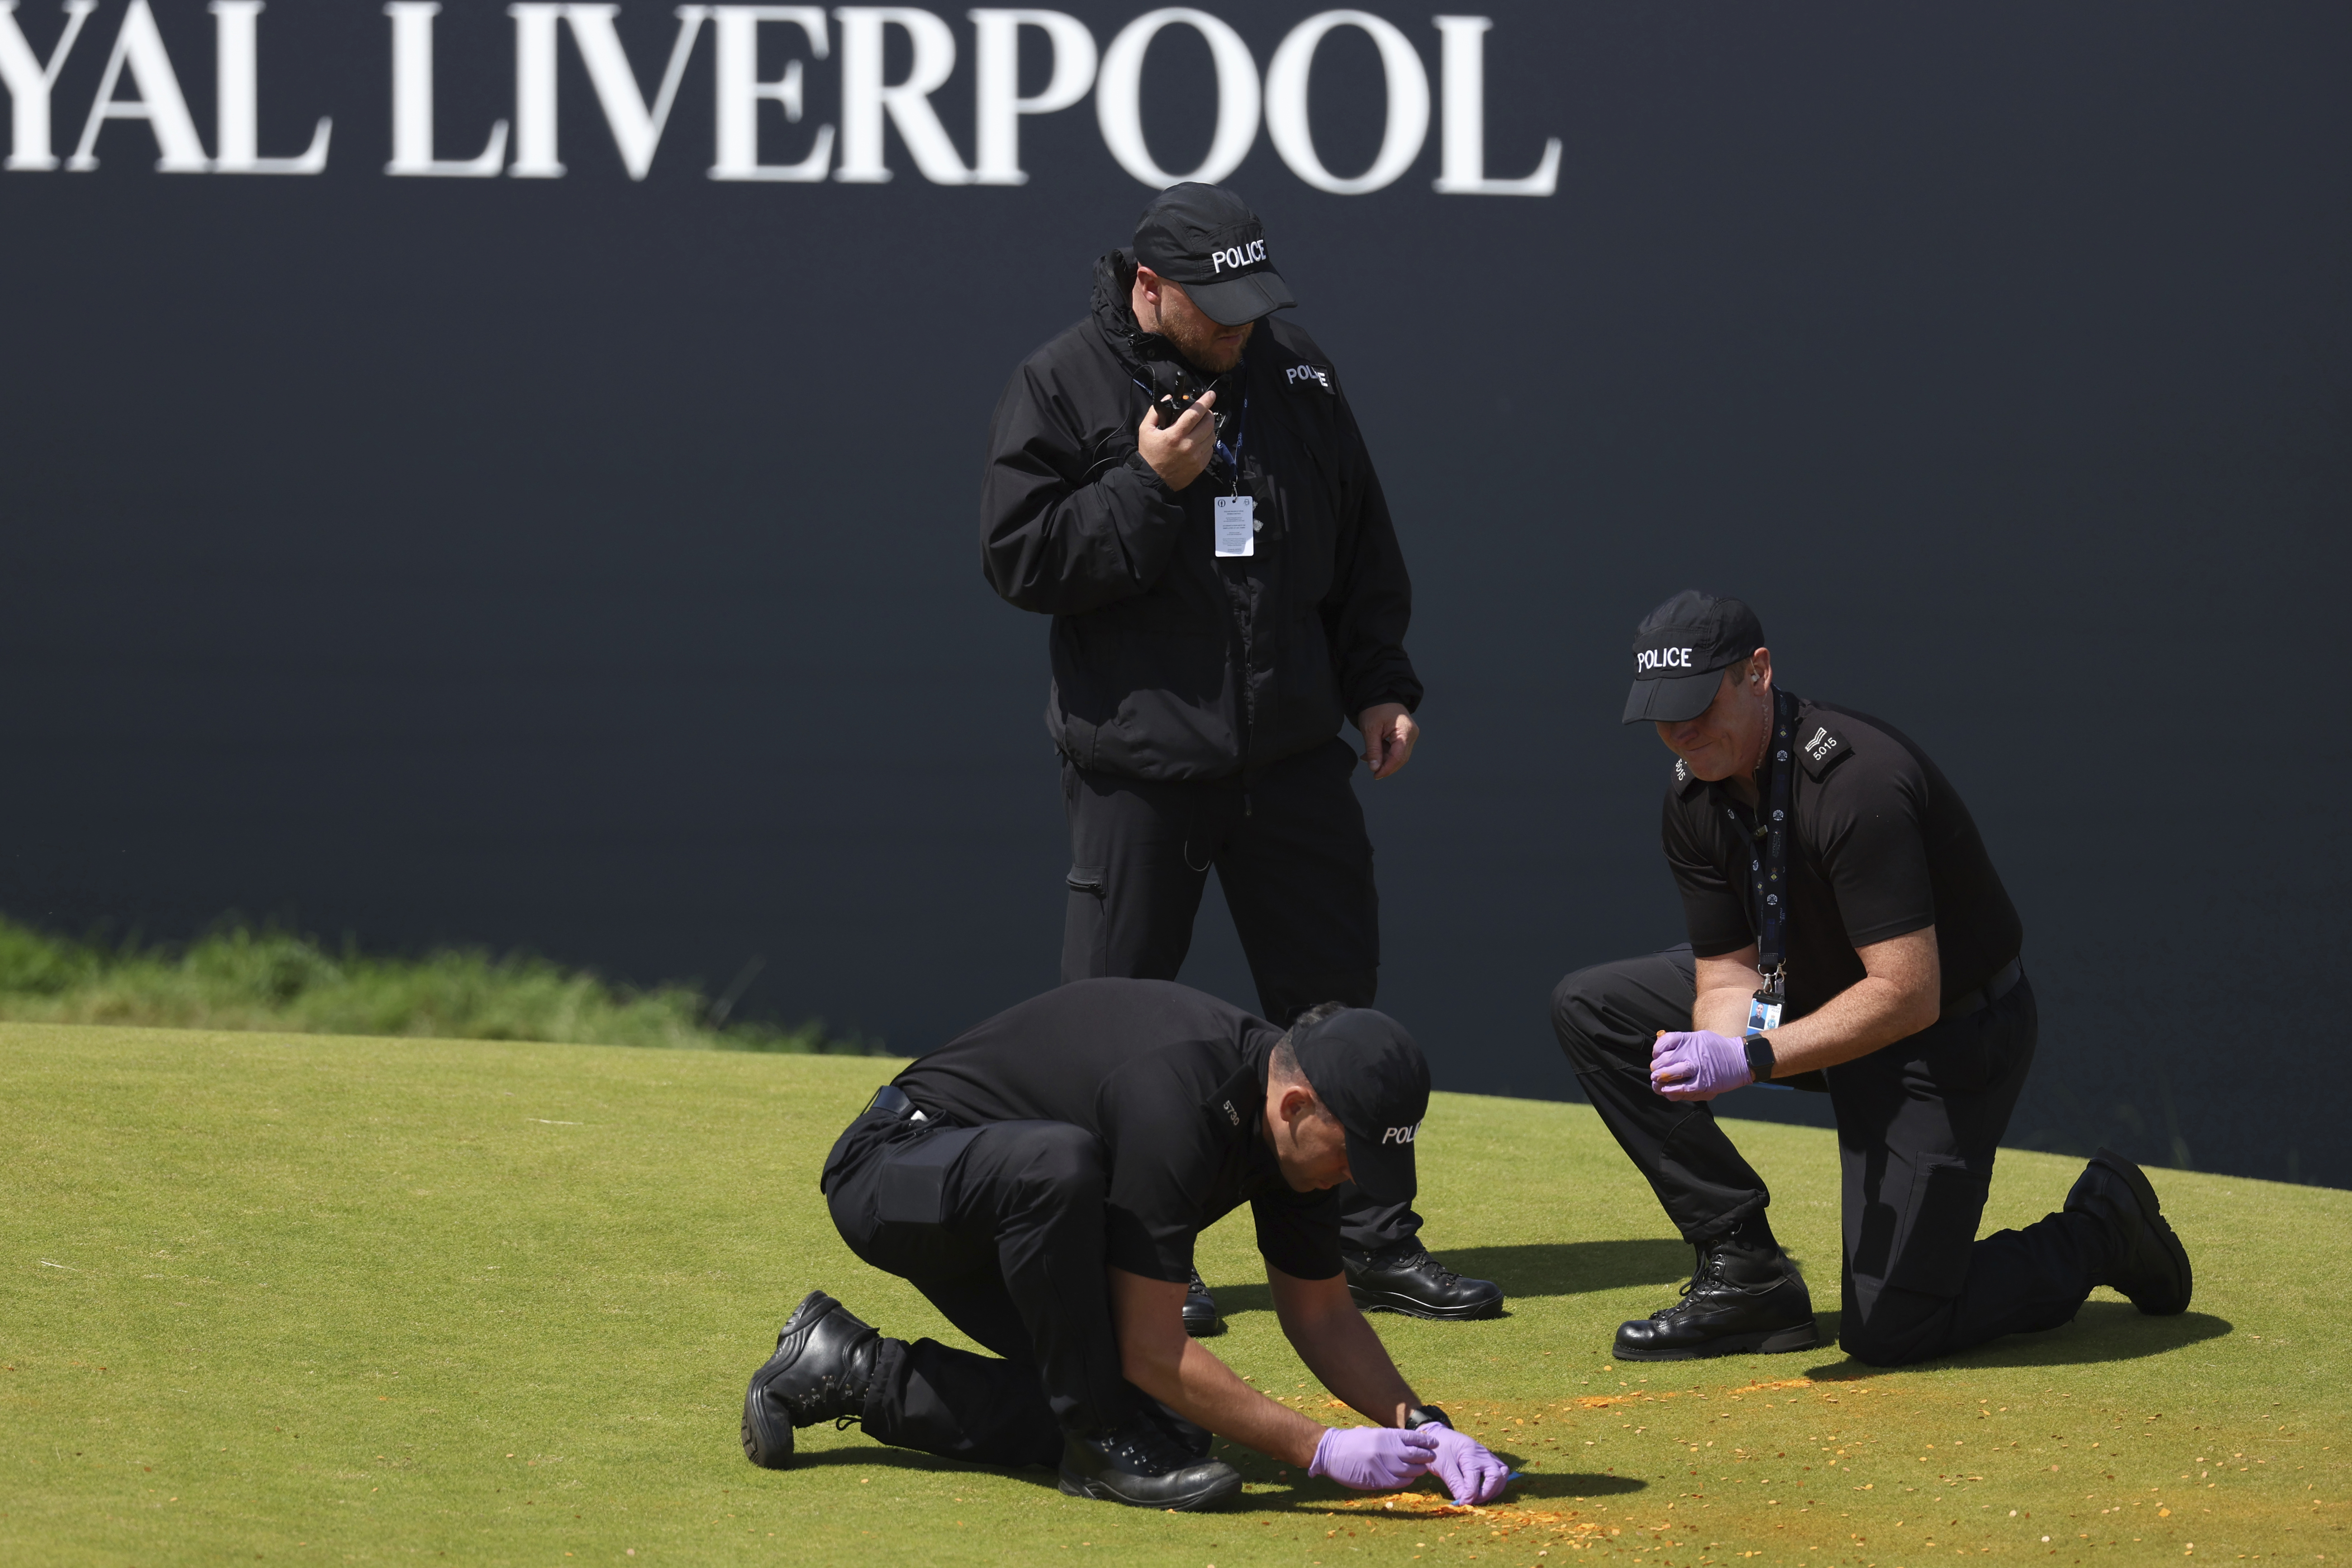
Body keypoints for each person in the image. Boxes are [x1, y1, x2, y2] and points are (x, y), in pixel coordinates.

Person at [979, 181, 1499, 1327]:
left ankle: (1368, 1234)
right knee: (1113, 1018)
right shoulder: (1058, 382)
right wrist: (1145, 486)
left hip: (1291, 755)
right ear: (1147, 290)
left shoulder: (1295, 371)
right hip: (1138, 768)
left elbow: (1361, 536)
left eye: (1255, 303)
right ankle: (1137, 1251)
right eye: (1217, 308)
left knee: (1335, 1004)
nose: (1241, 327)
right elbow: (1022, 562)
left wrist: (1379, 680)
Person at [1549, 590, 2193, 1366]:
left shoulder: (1857, 781)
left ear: (1758, 673)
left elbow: (1907, 992)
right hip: (1811, 993)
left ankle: (2101, 1230)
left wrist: (1753, 1059)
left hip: (1945, 1037)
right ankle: (1745, 1273)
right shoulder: (1692, 791)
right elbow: (1727, 970)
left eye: (1696, 701)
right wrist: (1720, 1046)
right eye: (1660, 711)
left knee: (1893, 1329)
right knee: (1596, 1007)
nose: (1679, 731)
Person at [738, 979, 1513, 1511]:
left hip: (1022, 1214)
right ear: (1298, 1103)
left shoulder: (1293, 1139)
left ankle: (849, 1369)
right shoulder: (1180, 1100)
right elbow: (1152, 1345)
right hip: (897, 1173)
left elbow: (1322, 1314)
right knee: (1061, 1173)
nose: (1353, 1178)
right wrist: (1320, 1449)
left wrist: (1423, 1424)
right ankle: (1098, 1448)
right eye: (1351, 1154)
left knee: (1171, 1430)